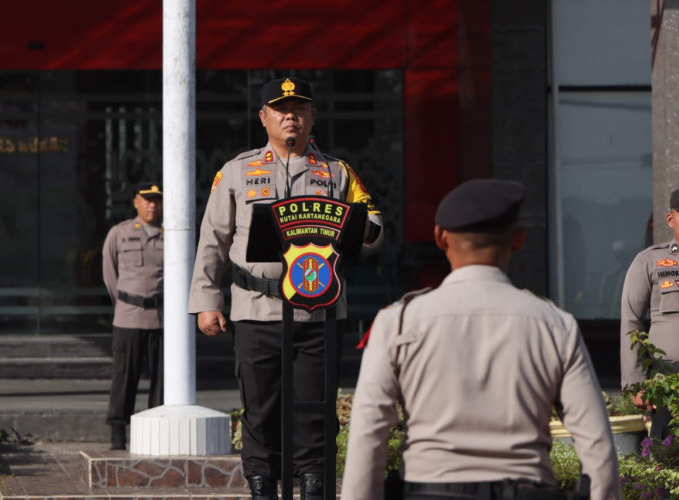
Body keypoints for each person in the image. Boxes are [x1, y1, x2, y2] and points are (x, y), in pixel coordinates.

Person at [342, 179, 620, 500]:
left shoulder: (398, 322)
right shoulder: (555, 325)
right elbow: (598, 445)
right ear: (518, 240)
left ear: (440, 237)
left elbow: (367, 436)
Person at [188, 76, 384, 500]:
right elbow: (213, 240)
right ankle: (262, 483)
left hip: (319, 311)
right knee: (260, 409)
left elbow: (375, 228)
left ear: (312, 116)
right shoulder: (237, 171)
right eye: (280, 109)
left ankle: (314, 482)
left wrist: (358, 225)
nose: (290, 115)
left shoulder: (336, 172)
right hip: (256, 309)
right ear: (264, 118)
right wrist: (206, 300)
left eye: (299, 108)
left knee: (316, 408)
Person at [102, 182, 164, 450]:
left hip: (163, 318)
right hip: (128, 316)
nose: (152, 205)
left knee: (163, 379)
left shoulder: (171, 234)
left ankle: (159, 429)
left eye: (157, 200)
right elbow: (109, 274)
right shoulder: (120, 233)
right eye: (147, 199)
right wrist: (126, 303)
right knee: (125, 375)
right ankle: (118, 431)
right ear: (135, 202)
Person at [621, 188, 679, 438]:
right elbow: (631, 322)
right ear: (671, 219)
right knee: (668, 457)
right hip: (667, 378)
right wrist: (636, 383)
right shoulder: (650, 261)